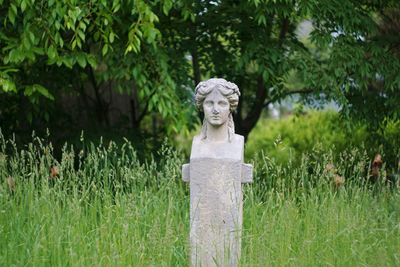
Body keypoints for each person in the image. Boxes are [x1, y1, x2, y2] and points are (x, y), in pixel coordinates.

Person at [194, 78, 240, 142]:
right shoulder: (196, 142)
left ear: (230, 107)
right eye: (209, 103)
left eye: (222, 104)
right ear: (202, 106)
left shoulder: (238, 142)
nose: (215, 110)